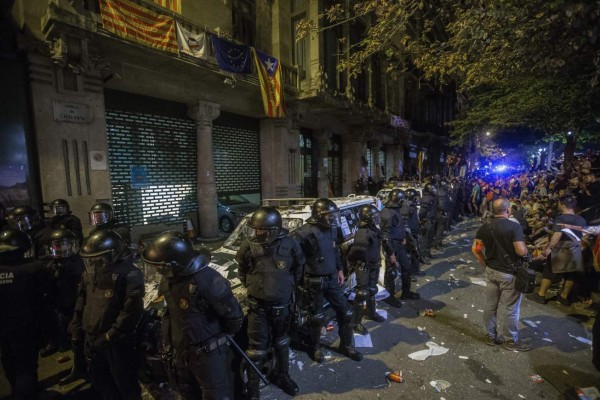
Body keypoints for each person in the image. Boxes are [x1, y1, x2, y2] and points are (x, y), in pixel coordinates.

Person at [142, 231, 243, 400]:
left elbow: (233, 316)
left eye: (161, 266)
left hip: (208, 355)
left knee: (216, 395)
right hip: (181, 353)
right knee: (188, 393)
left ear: (176, 263)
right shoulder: (169, 279)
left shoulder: (208, 280)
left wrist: (219, 338)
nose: (158, 271)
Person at [235, 207, 305, 398]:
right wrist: (257, 287)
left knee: (282, 342)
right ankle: (253, 390)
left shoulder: (290, 243)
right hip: (258, 307)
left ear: (273, 230)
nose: (257, 234)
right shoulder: (248, 246)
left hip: (282, 305)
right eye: (255, 230)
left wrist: (283, 287)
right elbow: (243, 270)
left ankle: (282, 376)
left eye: (261, 231)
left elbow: (298, 269)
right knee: (256, 350)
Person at [70, 229, 144, 400]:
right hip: (92, 337)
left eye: (98, 259)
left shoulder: (129, 273)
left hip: (115, 342)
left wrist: (111, 335)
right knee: (101, 383)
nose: (94, 264)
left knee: (125, 386)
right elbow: (82, 302)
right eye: (90, 260)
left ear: (113, 254)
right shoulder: (89, 275)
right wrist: (76, 328)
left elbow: (131, 309)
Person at [293, 198, 362, 363]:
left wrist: (339, 269)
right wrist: (298, 279)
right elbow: (293, 257)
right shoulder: (303, 233)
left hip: (331, 278)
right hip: (314, 281)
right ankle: (314, 348)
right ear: (318, 215)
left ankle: (346, 346)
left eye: (333, 215)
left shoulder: (332, 229)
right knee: (316, 317)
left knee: (346, 311)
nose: (332, 218)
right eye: (328, 215)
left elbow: (336, 250)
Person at [472, 198, 530, 352]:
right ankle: (510, 340)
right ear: (508, 210)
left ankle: (490, 336)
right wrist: (526, 250)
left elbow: (476, 249)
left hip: (491, 271)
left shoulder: (485, 227)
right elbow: (520, 251)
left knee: (491, 305)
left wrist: (485, 263)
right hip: (509, 274)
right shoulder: (514, 227)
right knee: (511, 308)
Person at [0, 229, 47, 400]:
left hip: (3, 329)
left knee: (9, 362)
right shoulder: (31, 269)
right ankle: (28, 395)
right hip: (24, 327)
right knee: (26, 368)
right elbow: (45, 292)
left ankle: (16, 391)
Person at [39, 228, 87, 381]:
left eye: (65, 246)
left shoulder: (78, 262)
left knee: (78, 338)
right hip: (61, 307)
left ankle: (81, 368)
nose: (61, 250)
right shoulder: (50, 265)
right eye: (57, 246)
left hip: (77, 306)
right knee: (68, 337)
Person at [527, 196, 586, 306]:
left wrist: (548, 248)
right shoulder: (581, 219)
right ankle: (564, 297)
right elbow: (584, 236)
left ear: (563, 205)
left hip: (562, 247)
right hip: (576, 249)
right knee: (571, 274)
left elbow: (557, 235)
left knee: (549, 272)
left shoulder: (561, 218)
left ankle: (541, 295)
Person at [348, 204, 386, 335]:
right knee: (362, 293)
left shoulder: (374, 230)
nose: (376, 219)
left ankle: (371, 313)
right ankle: (356, 323)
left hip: (373, 264)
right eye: (374, 217)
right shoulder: (363, 232)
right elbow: (355, 253)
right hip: (364, 266)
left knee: (372, 290)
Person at [381, 189, 419, 306]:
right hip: (391, 246)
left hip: (399, 244)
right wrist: (391, 253)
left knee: (406, 267)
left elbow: (399, 225)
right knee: (391, 273)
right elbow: (385, 237)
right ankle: (389, 297)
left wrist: (402, 237)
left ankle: (406, 293)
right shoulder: (387, 213)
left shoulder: (395, 209)